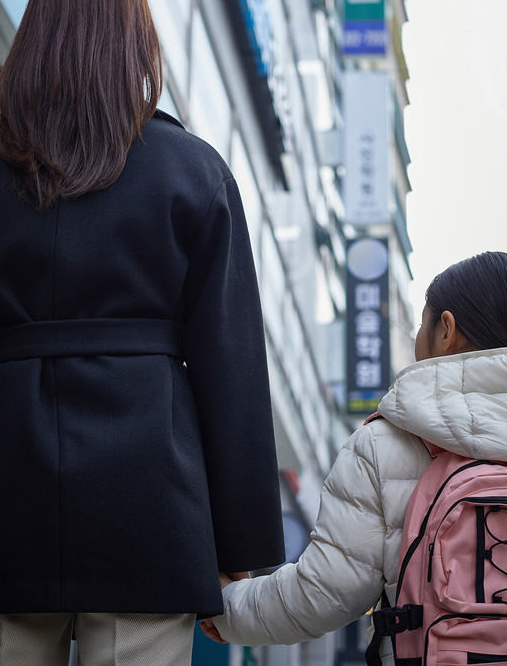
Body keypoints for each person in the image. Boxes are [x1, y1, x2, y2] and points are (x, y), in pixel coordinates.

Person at [0, 0, 285, 666]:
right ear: (138, 46)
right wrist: (239, 543)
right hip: (150, 508)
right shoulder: (194, 172)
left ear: (32, 41)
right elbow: (231, 366)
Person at [202, 251, 507, 664]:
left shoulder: (388, 443)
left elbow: (322, 595)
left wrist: (226, 605)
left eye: (421, 323)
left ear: (446, 331)